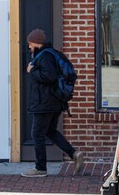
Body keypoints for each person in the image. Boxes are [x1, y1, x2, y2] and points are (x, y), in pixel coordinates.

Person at [22, 28, 85, 178]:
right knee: (50, 131)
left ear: (36, 43)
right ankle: (74, 154)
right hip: (54, 101)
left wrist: (32, 71)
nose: (29, 47)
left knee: (37, 134)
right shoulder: (52, 53)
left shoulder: (44, 57)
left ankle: (40, 168)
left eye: (30, 44)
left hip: (45, 102)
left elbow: (49, 76)